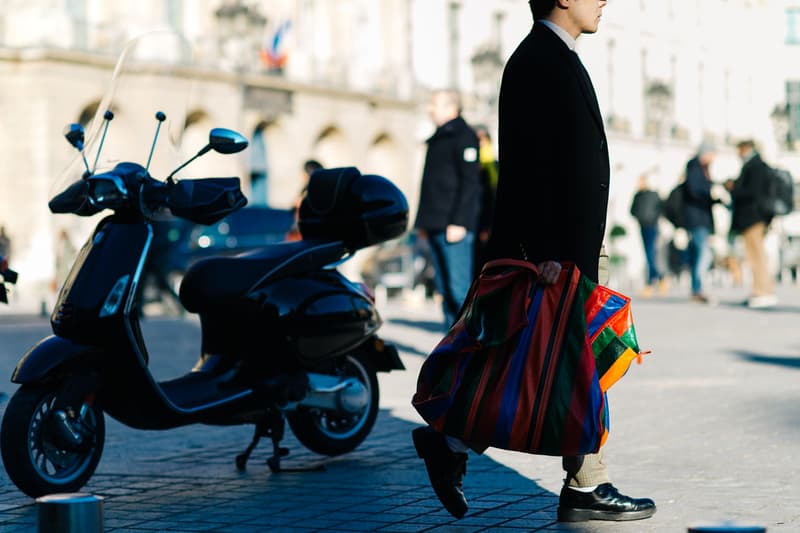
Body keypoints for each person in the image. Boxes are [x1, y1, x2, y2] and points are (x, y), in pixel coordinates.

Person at [412, 0, 656, 523]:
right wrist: (550, 252)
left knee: (555, 360)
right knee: (559, 362)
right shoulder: (537, 60)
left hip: (572, 245)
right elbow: (530, 167)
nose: (605, 1)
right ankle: (583, 483)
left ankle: (459, 444)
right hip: (561, 251)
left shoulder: (553, 56)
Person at [413, 89, 481, 330]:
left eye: (435, 104)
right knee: (444, 290)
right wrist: (422, 223)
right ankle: (451, 345)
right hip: (435, 223)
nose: (430, 109)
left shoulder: (463, 136)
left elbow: (470, 183)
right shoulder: (439, 137)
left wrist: (460, 222)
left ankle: (471, 347)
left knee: (459, 290)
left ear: (452, 107)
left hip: (454, 226)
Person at [725, 139, 777, 308]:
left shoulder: (754, 166)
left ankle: (763, 291)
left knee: (756, 255)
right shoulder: (758, 165)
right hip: (756, 217)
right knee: (756, 255)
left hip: (752, 218)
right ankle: (761, 289)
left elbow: (751, 192)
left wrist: (734, 188)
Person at [683, 141, 718, 304]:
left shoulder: (702, 168)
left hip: (701, 217)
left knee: (701, 253)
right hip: (697, 218)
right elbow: (694, 190)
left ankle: (697, 288)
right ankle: (698, 288)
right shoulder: (694, 167)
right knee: (703, 253)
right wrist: (710, 190)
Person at [629, 172, 667, 296]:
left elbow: (661, 208)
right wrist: (640, 217)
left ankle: (651, 282)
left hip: (653, 227)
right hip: (643, 227)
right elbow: (632, 210)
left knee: (651, 254)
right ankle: (661, 278)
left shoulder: (653, 194)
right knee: (648, 254)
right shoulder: (637, 195)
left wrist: (653, 219)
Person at [473, 124, 499, 277]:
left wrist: (488, 225)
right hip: (475, 222)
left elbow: (493, 198)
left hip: (486, 223)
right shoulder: (473, 165)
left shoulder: (492, 166)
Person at [286, 159, 323, 242]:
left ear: (307, 174)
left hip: (304, 235)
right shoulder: (314, 190)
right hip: (304, 233)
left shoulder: (309, 191)